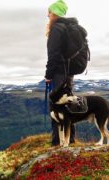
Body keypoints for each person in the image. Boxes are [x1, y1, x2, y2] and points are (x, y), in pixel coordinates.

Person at [44, 0, 77, 146]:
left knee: (56, 106)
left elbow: (53, 55)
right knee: (67, 105)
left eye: (49, 13)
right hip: (69, 73)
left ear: (55, 13)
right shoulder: (68, 27)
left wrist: (48, 75)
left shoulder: (56, 29)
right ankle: (70, 139)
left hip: (58, 73)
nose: (48, 15)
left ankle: (57, 141)